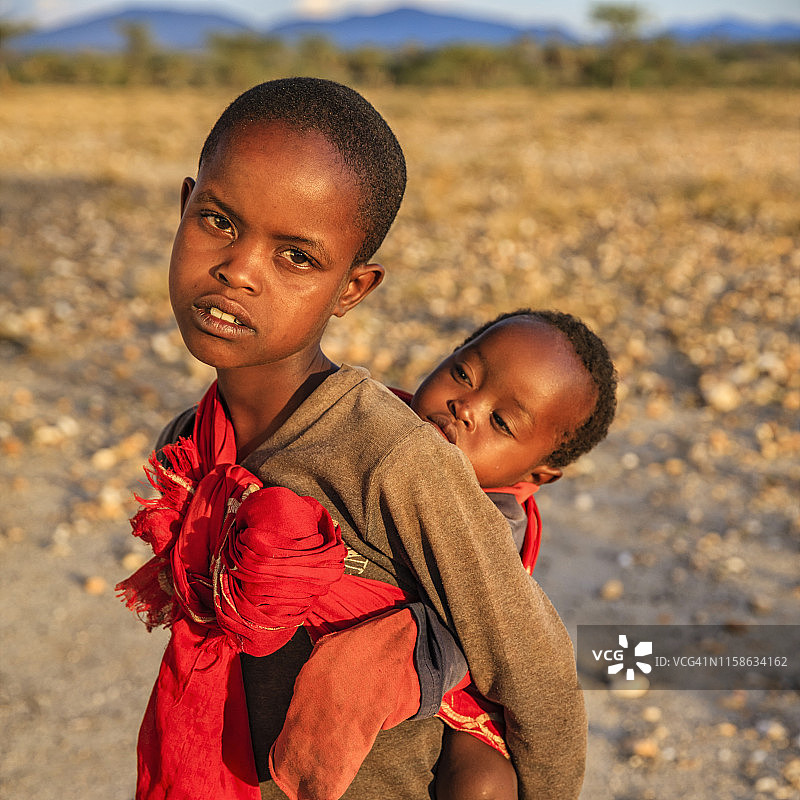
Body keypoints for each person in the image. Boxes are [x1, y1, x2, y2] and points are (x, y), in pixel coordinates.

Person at [118, 77, 587, 800]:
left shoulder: (391, 457)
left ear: (352, 288)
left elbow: (536, 667)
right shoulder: (192, 440)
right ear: (184, 209)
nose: (237, 271)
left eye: (296, 257)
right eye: (218, 221)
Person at [269, 308, 617, 800]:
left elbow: (502, 650)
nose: (466, 406)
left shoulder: (489, 522)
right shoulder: (375, 421)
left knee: (482, 783)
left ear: (536, 475)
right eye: (463, 374)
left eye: (500, 421)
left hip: (445, 669)